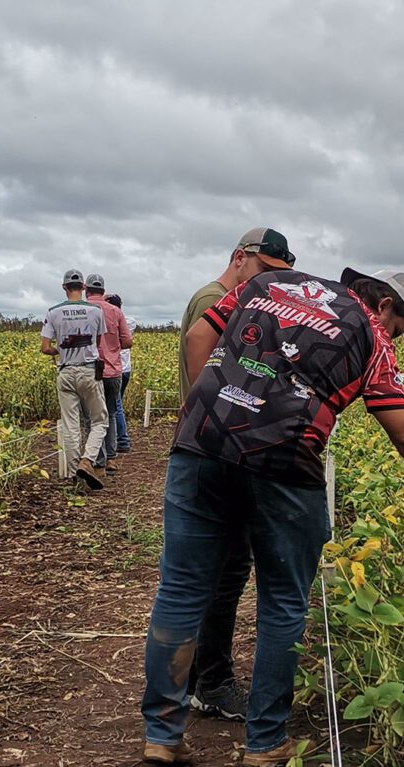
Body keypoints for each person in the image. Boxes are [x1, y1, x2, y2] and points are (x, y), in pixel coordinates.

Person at [140, 264, 404, 767]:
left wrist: (207, 411)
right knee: (283, 602)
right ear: (385, 306)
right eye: (398, 328)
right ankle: (265, 742)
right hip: (283, 461)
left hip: (199, 445)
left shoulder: (267, 285)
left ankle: (162, 734)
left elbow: (198, 335)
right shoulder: (371, 332)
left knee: (181, 588)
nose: (394, 337)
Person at [178, 228, 297, 723]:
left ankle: (192, 682)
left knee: (213, 572)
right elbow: (209, 360)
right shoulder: (218, 300)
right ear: (239, 258)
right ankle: (211, 682)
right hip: (219, 454)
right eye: (264, 270)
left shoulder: (228, 297)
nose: (270, 282)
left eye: (278, 275)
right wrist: (218, 422)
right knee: (222, 574)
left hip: (214, 450)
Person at [40, 269, 109, 491]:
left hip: (65, 371)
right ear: (83, 288)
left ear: (64, 287)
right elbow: (97, 342)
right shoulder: (96, 311)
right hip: (88, 371)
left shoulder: (53, 312)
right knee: (99, 421)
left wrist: (59, 351)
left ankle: (73, 475)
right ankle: (87, 460)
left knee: (70, 425)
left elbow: (45, 347)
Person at [85, 274, 132, 473]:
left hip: (90, 370)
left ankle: (98, 460)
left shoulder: (83, 309)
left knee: (92, 417)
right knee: (111, 414)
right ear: (103, 291)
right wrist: (111, 346)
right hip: (113, 370)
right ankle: (112, 459)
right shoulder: (115, 311)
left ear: (86, 290)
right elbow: (127, 342)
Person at [105, 294, 136, 453]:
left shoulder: (111, 321)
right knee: (117, 405)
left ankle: (122, 440)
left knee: (115, 407)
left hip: (115, 369)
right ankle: (118, 437)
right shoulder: (129, 321)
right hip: (126, 370)